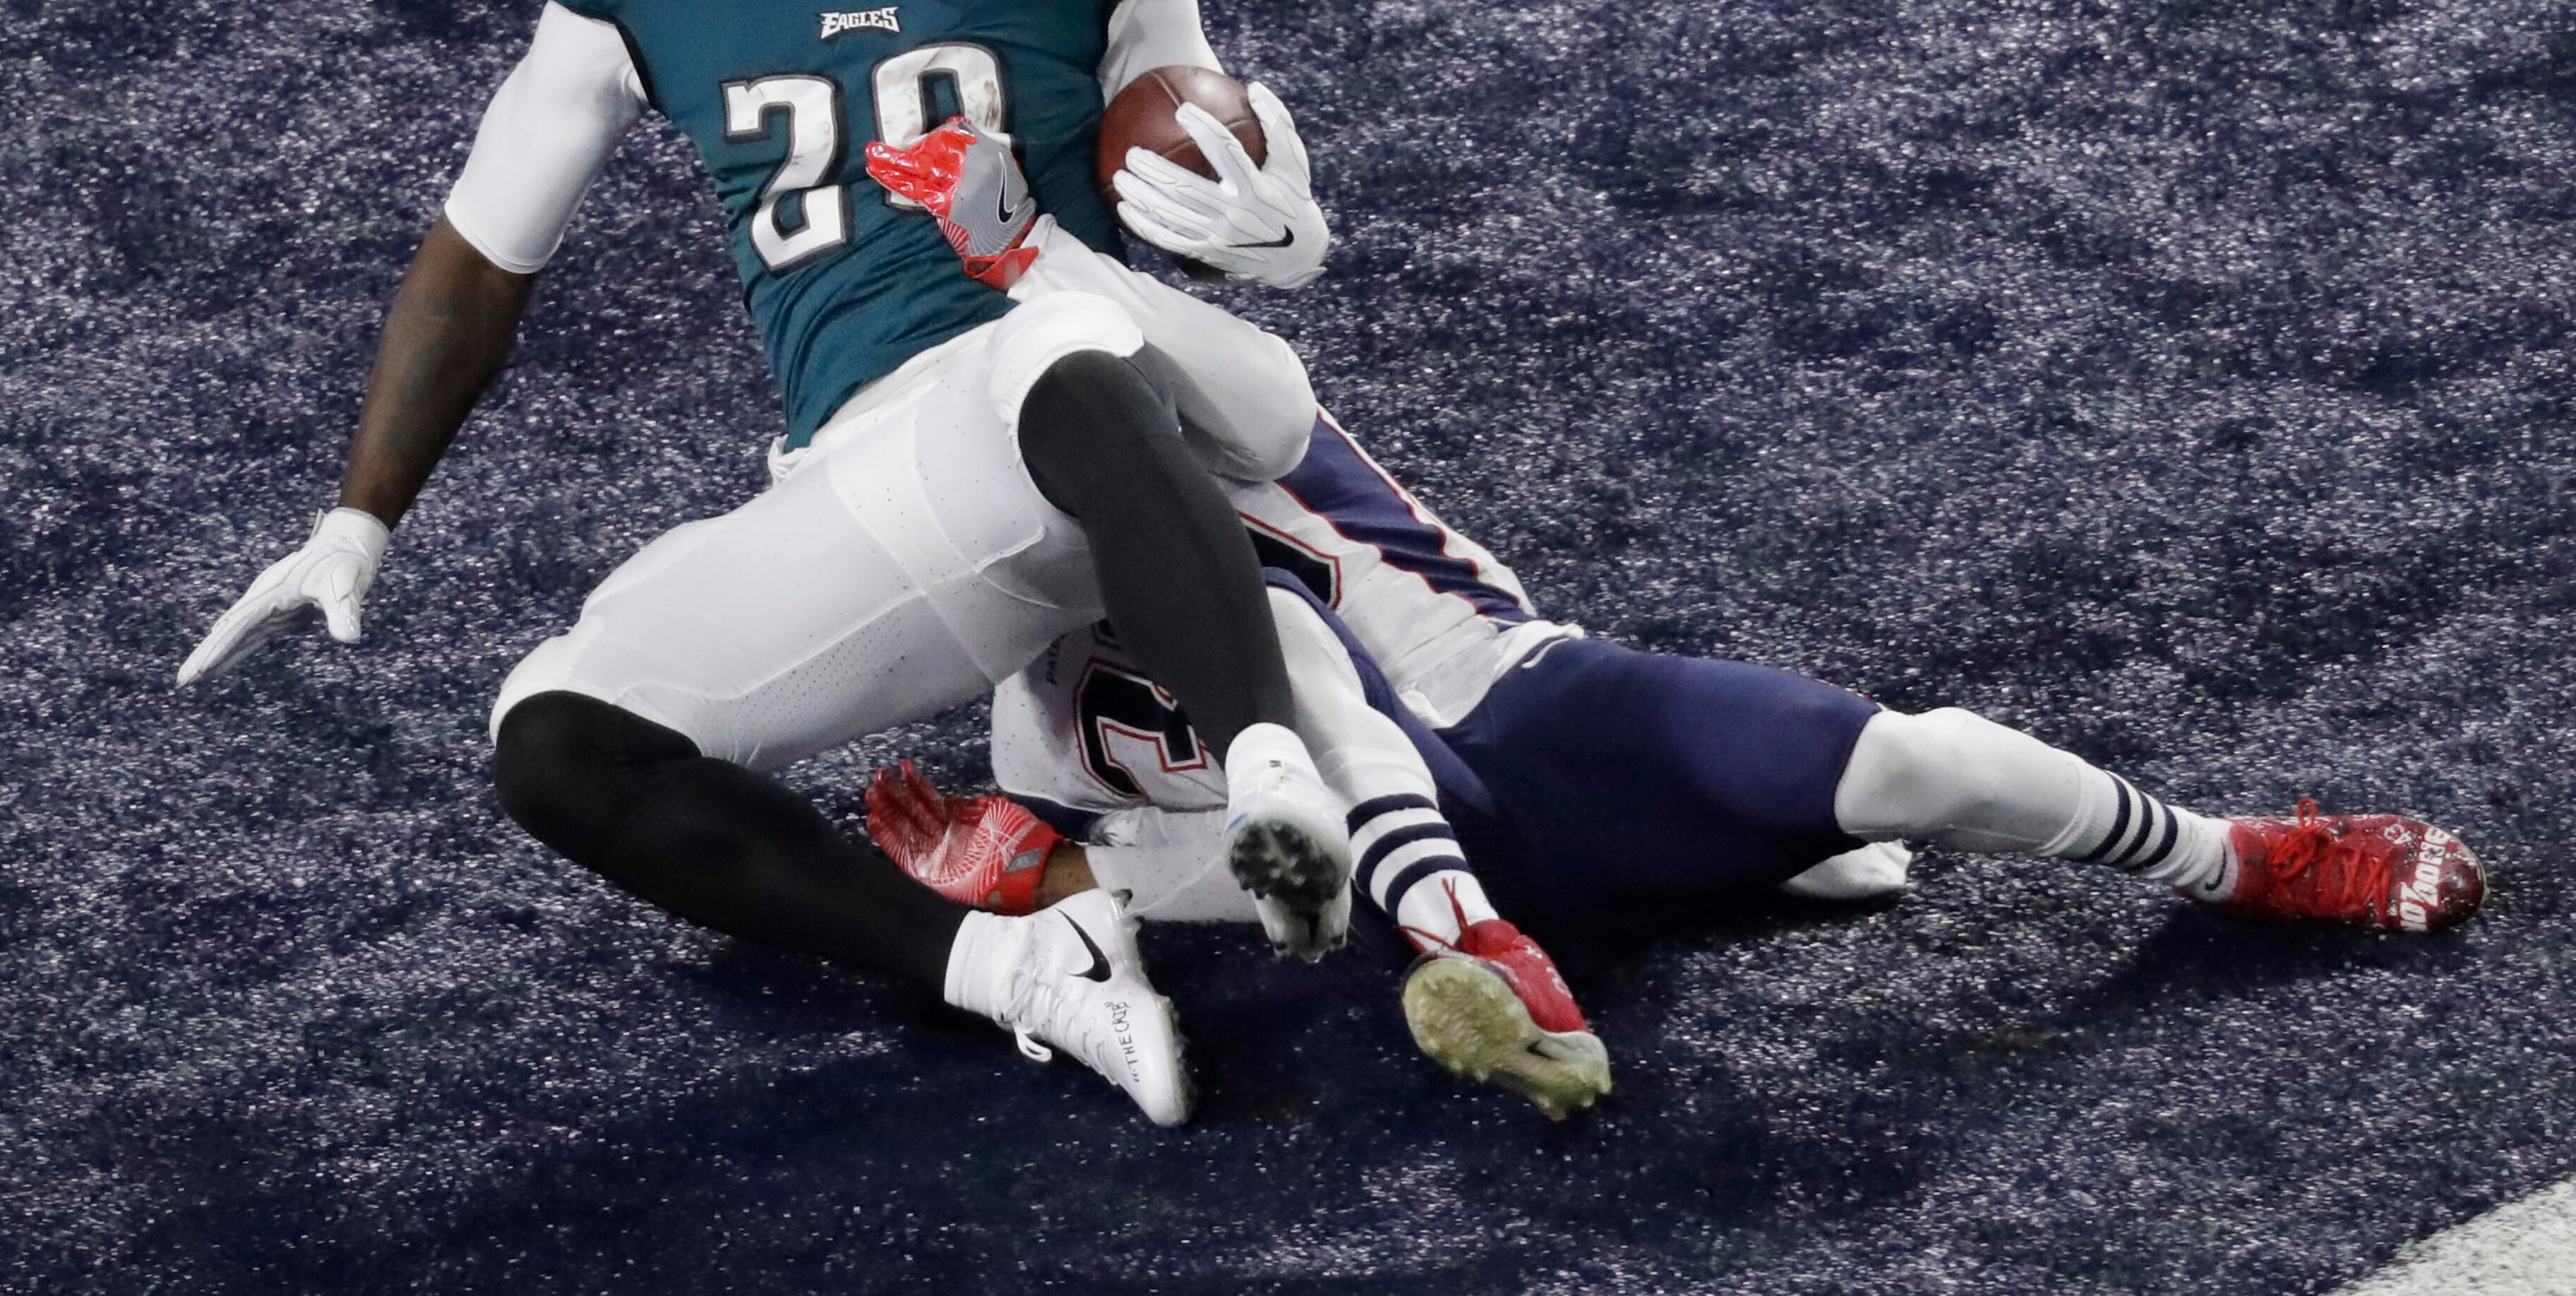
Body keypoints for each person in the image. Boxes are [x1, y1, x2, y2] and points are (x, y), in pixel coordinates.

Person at [174, 0, 1355, 1127]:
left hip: (1092, 407)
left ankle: (1271, 771)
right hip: (877, 470)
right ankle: (1020, 976)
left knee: (1061, 345)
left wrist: (1275, 225)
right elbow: (483, 248)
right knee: (557, 736)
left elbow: (1193, 150)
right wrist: (361, 513)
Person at [860, 185, 2490, 1117]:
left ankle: (2240, 856)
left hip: (1538, 711)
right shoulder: (1026, 660)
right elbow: (1205, 842)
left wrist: (1027, 249)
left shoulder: (1202, 394)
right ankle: (1491, 935)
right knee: (1268, 670)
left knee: (1900, 759)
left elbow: (1191, 348)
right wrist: (1068, 874)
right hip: (1414, 869)